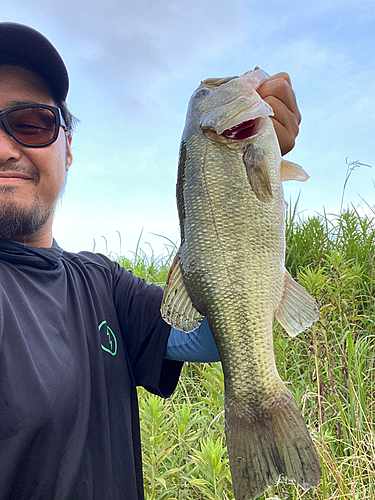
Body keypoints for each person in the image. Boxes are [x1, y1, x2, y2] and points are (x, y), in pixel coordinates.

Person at [0, 22, 301, 500]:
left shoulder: (100, 282)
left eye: (31, 123)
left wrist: (238, 237)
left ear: (68, 148)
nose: (3, 148)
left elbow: (202, 337)